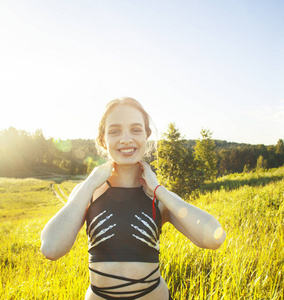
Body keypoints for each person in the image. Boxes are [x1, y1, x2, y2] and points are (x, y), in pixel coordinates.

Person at [41, 97, 226, 300]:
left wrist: (159, 190)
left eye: (136, 130)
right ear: (103, 139)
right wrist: (90, 183)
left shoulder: (157, 196)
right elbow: (51, 248)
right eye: (115, 131)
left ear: (147, 136)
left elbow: (214, 238)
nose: (126, 139)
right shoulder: (89, 191)